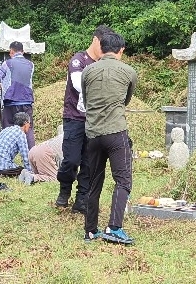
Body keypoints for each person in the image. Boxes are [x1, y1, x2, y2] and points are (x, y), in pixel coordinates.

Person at [81, 32, 137, 245]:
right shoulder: (129, 72)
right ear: (121, 50)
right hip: (116, 133)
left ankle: (90, 230)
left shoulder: (87, 71)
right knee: (123, 180)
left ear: (101, 48)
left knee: (93, 181)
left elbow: (86, 102)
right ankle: (114, 227)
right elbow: (126, 100)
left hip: (93, 134)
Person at [56, 25, 114, 213]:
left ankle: (81, 200)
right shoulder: (78, 60)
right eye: (103, 45)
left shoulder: (103, 64)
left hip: (95, 121)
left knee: (91, 162)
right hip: (75, 117)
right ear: (96, 40)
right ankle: (64, 190)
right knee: (71, 160)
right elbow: (78, 84)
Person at [0, 41, 36, 148]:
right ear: (23, 52)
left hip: (10, 102)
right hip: (26, 101)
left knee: (8, 128)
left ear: (11, 51)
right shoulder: (31, 65)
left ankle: (6, 156)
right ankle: (32, 157)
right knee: (28, 129)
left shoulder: (7, 63)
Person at [0, 111, 32, 177]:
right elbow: (25, 158)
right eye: (29, 123)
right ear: (25, 123)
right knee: (22, 170)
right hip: (2, 168)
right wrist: (30, 172)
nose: (29, 126)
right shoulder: (20, 133)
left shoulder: (6, 130)